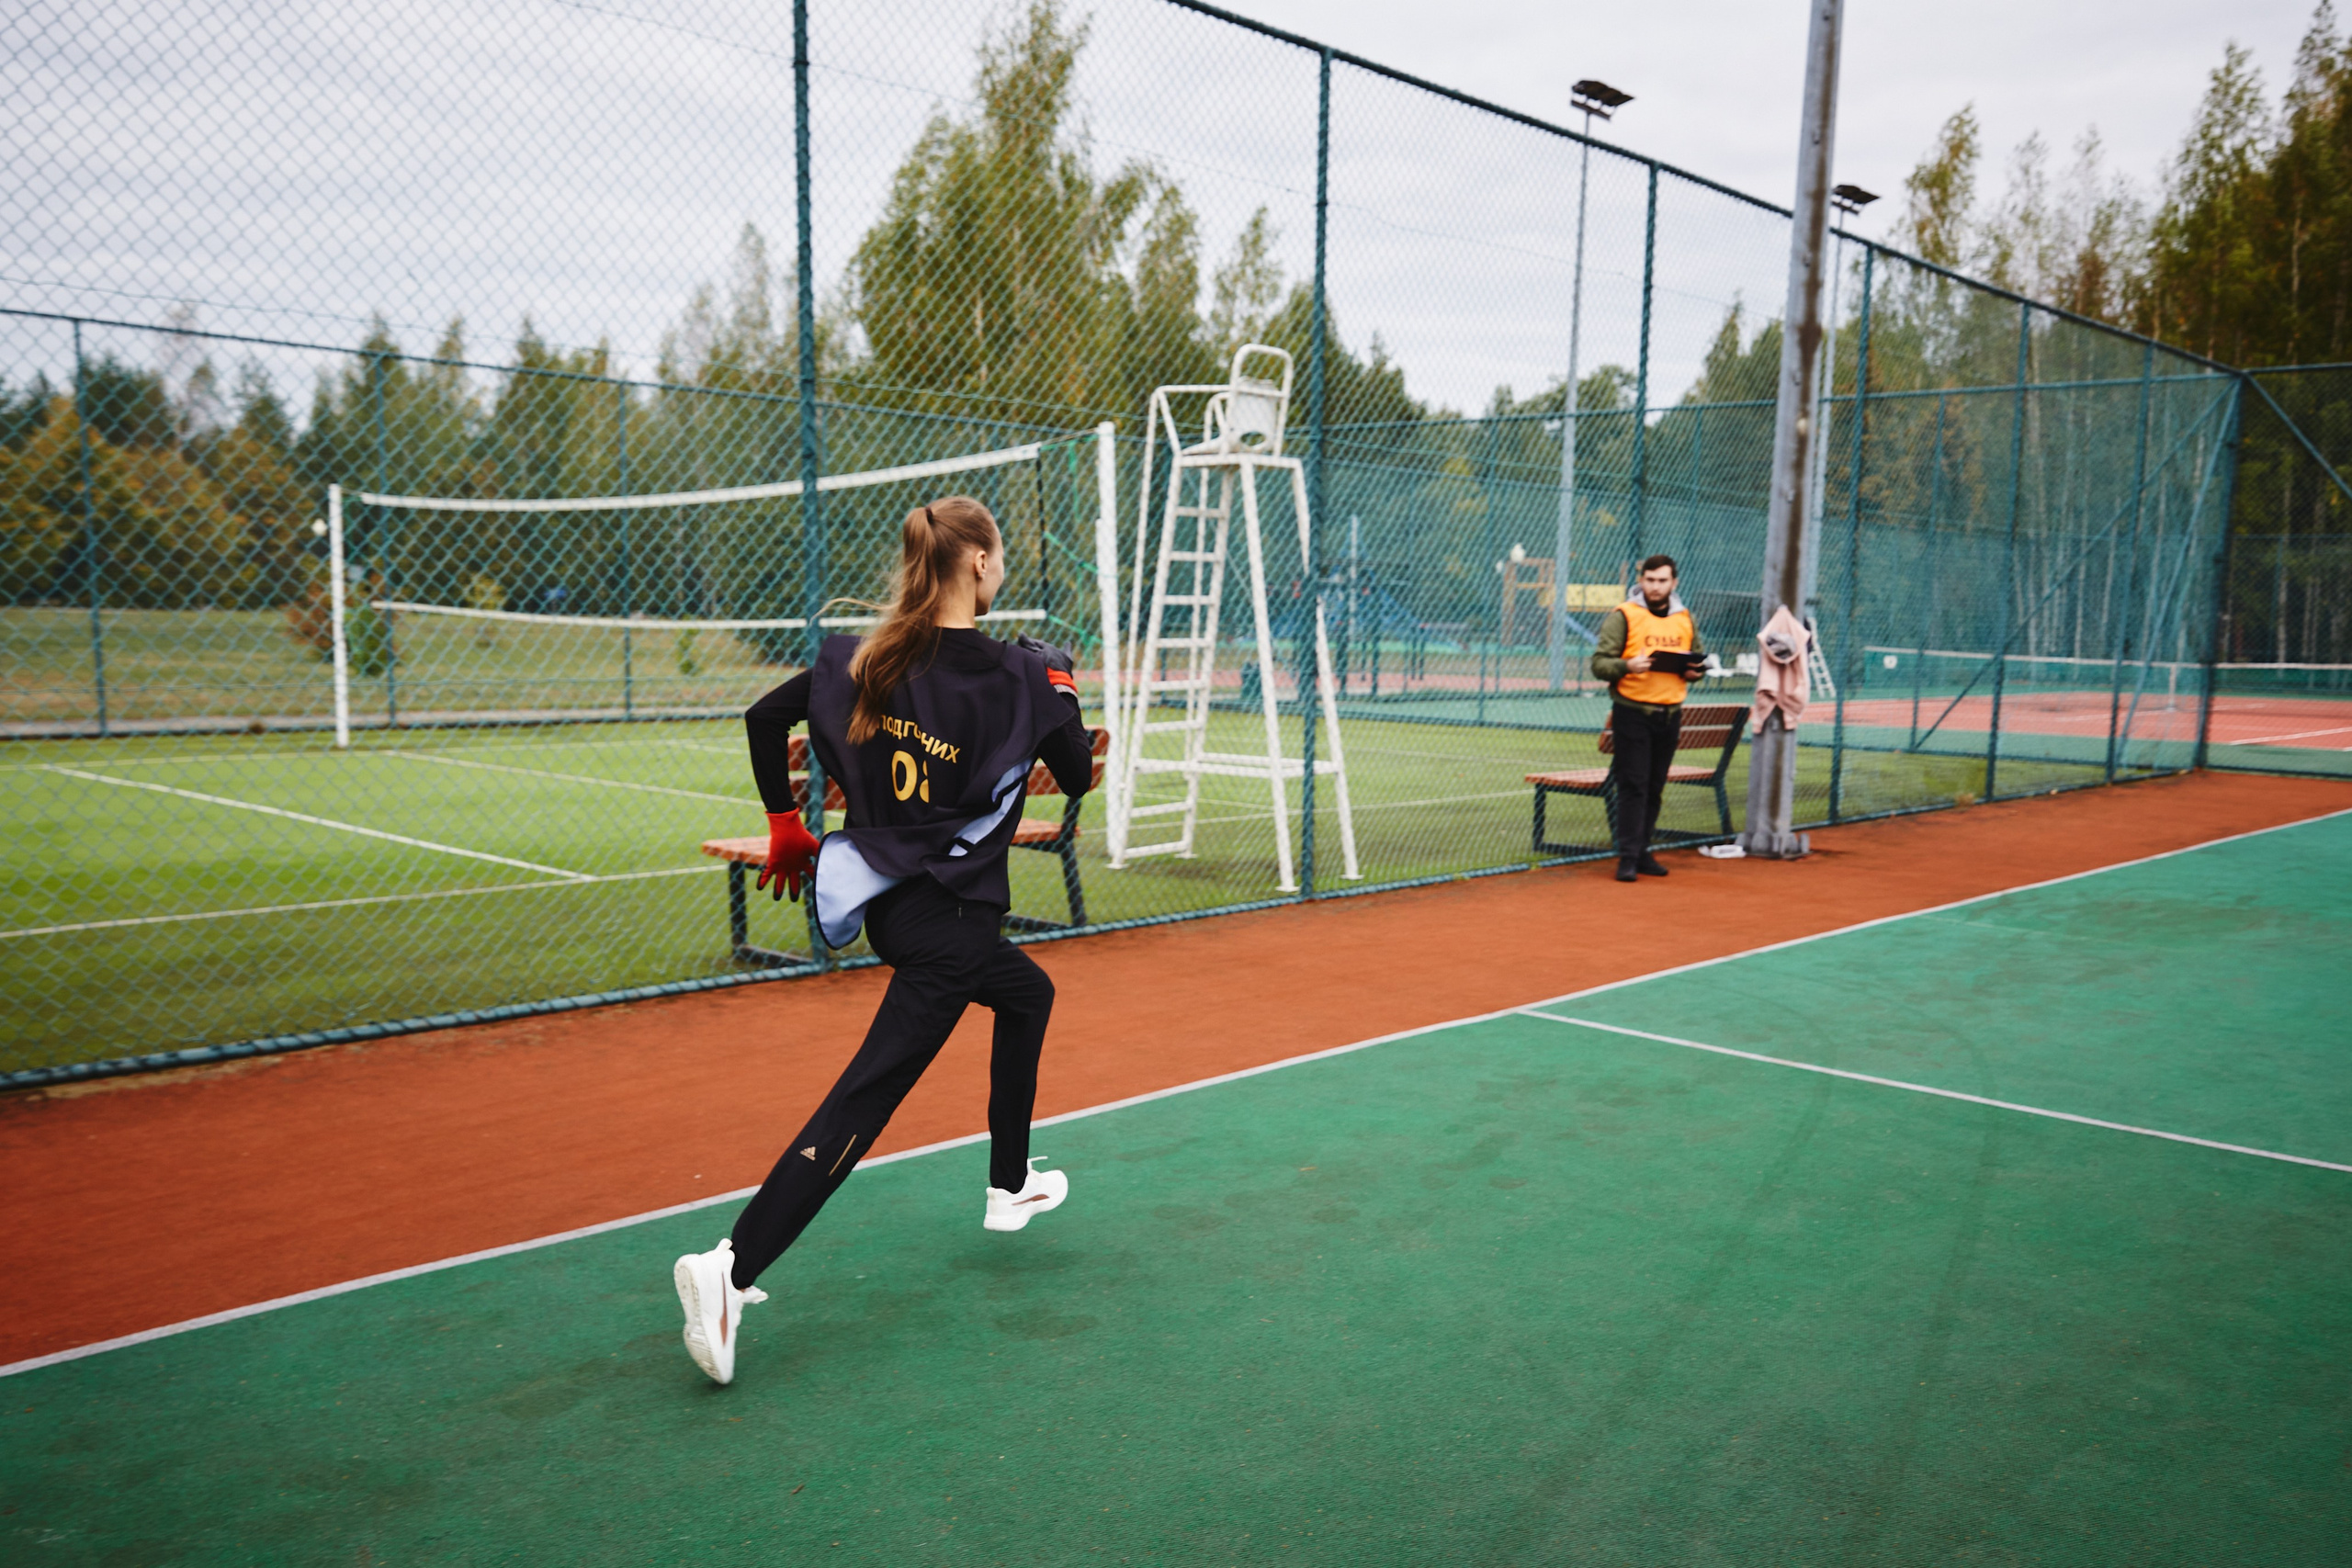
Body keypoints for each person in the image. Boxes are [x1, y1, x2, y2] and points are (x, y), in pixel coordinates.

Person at [671, 495, 1098, 1386]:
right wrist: (1061, 687)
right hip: (950, 926)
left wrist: (786, 825)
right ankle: (730, 1269)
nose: (1003, 568)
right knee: (862, 1103)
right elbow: (1073, 780)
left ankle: (1009, 1181)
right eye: (1002, 554)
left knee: (1029, 995)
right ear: (978, 563)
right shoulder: (1020, 678)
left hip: (895, 912)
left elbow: (763, 721)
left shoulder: (873, 658)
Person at [1589, 554, 1707, 883]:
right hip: (1633, 712)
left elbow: (1695, 661)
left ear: (1674, 583)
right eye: (1650, 580)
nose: (1655, 587)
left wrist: (1694, 671)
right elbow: (1599, 664)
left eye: (1662, 581)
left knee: (1654, 787)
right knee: (1634, 786)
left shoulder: (1684, 617)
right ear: (1641, 580)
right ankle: (1627, 857)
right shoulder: (1623, 616)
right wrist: (1628, 665)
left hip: (1669, 714)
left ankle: (1642, 852)